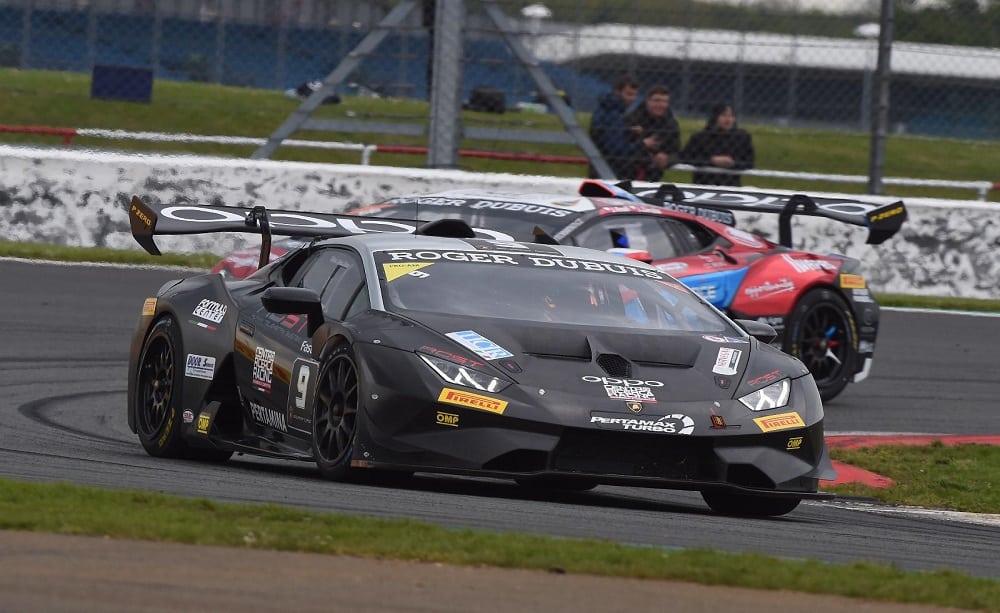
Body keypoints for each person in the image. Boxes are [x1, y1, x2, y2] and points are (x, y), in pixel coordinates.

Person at [587, 76, 652, 180]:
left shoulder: (607, 108)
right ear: (617, 92)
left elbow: (609, 135)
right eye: (629, 94)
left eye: (634, 95)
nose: (632, 99)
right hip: (610, 171)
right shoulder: (614, 113)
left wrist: (627, 131)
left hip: (600, 167)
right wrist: (643, 144)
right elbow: (617, 149)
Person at [681, 103, 755, 186]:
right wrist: (711, 160)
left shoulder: (742, 137)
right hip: (704, 183)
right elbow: (685, 157)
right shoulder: (700, 137)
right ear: (715, 117)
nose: (728, 119)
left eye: (731, 116)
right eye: (724, 115)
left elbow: (749, 162)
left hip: (731, 184)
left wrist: (732, 163)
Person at [623, 84, 682, 182]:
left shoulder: (670, 123)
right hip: (630, 170)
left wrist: (667, 158)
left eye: (665, 101)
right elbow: (623, 147)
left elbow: (677, 151)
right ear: (647, 101)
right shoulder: (633, 119)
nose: (661, 105)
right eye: (657, 100)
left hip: (654, 174)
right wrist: (643, 145)